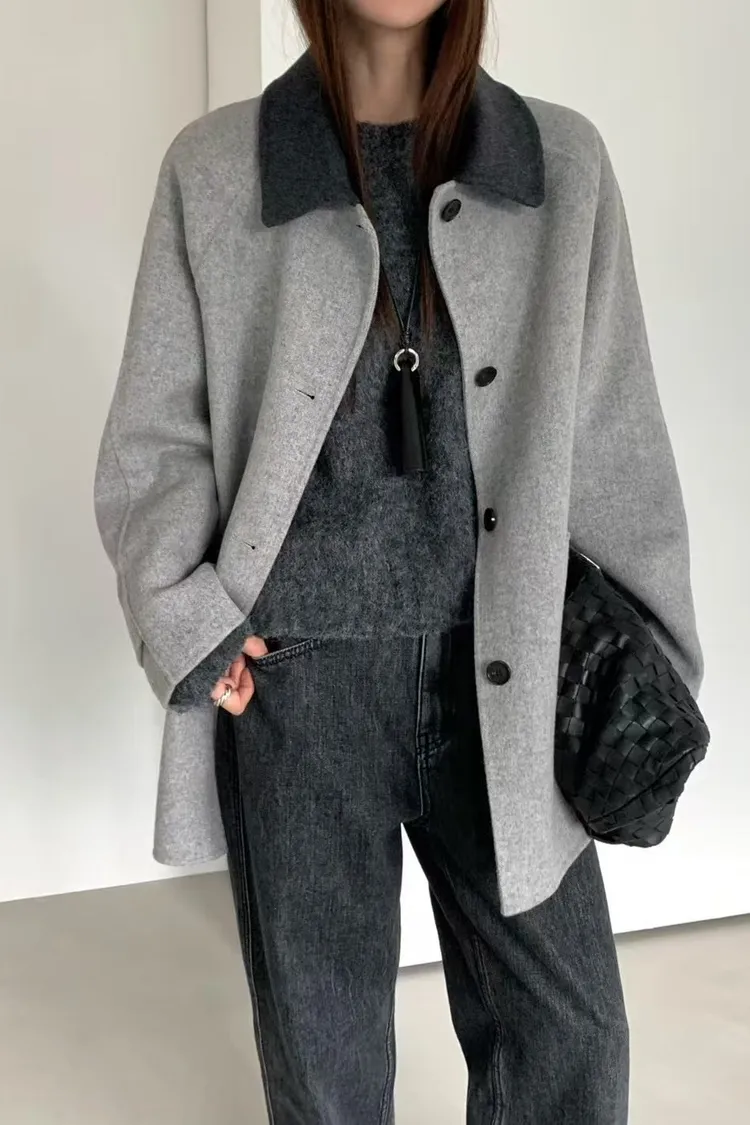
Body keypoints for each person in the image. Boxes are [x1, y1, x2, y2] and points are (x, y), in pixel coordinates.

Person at [94, 1, 704, 1121]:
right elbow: (156, 435)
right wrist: (189, 619)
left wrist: (651, 657)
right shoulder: (216, 169)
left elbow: (615, 432)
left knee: (570, 1044)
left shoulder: (561, 165)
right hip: (296, 687)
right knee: (324, 1069)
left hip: (506, 675)